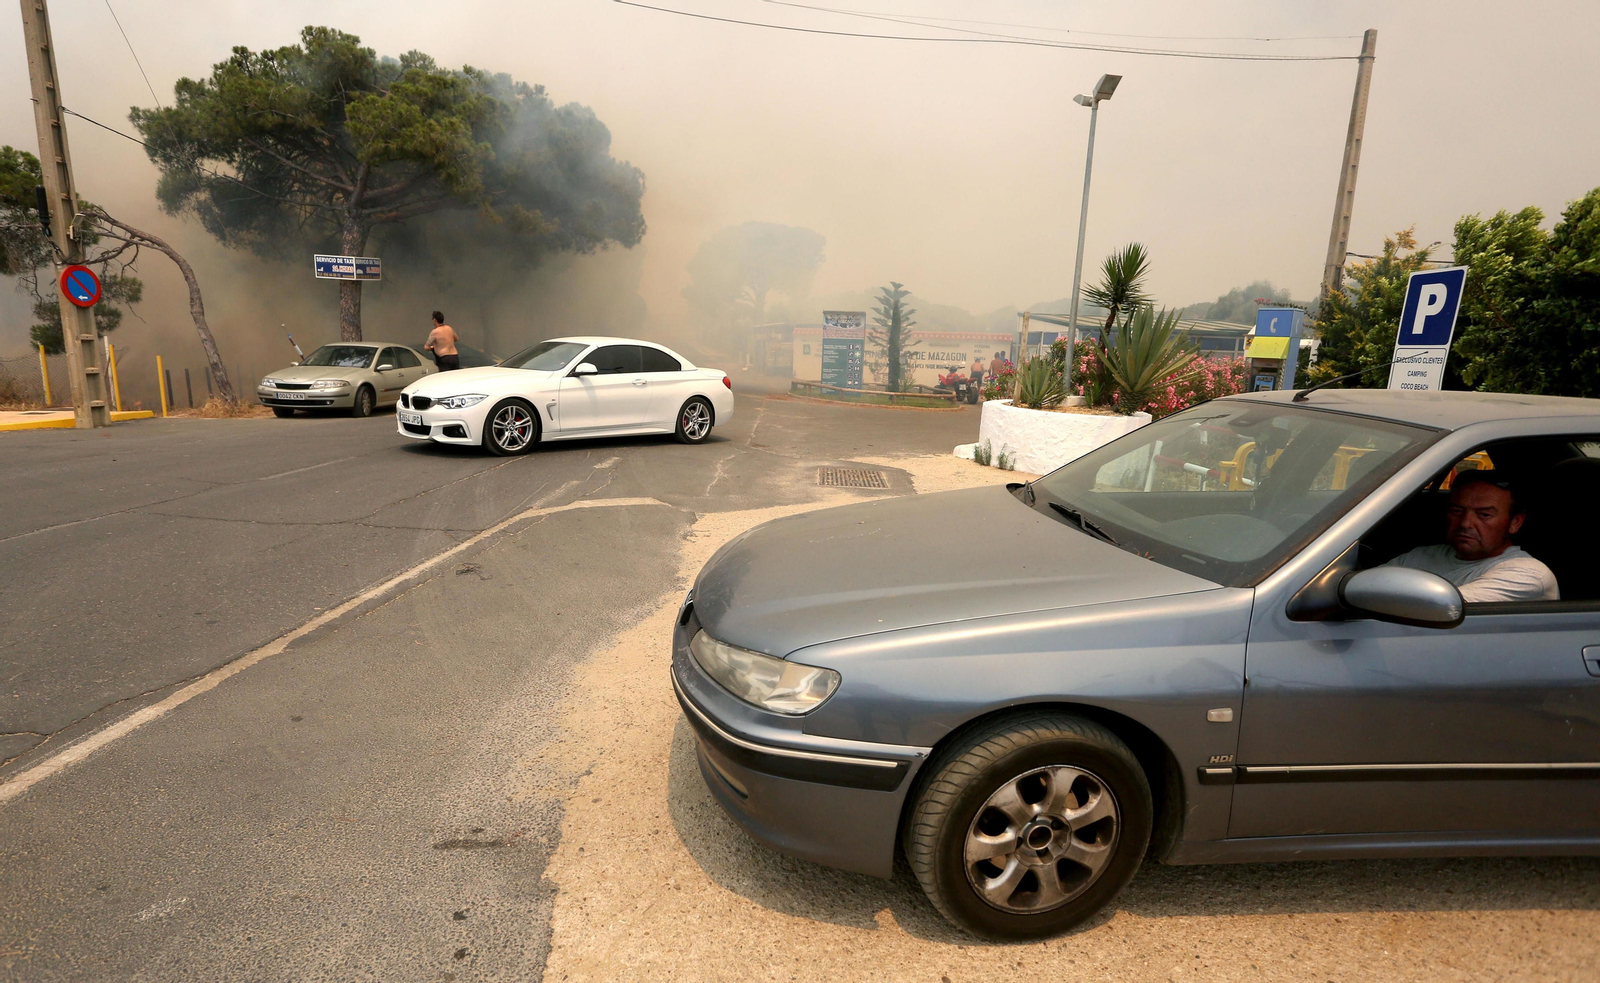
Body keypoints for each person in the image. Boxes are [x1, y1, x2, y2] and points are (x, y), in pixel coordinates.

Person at [1384, 470, 1558, 602]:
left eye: (1484, 515)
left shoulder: (1528, 574)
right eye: (1457, 511)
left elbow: (1442, 608)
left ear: (1515, 522)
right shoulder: (1420, 556)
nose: (1465, 523)